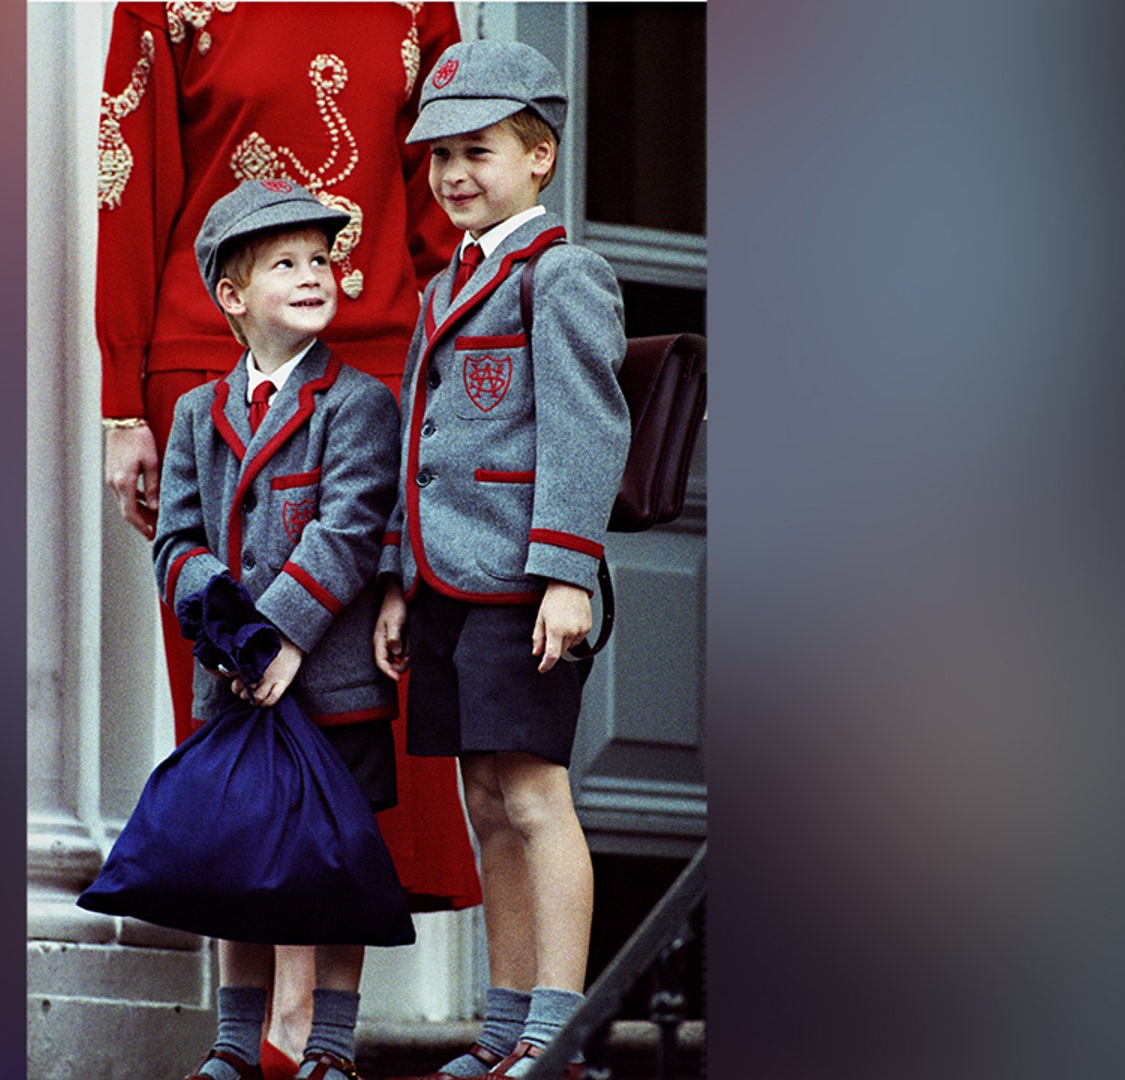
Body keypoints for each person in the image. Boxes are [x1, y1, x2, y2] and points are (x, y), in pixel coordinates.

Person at [94, 4, 482, 1066]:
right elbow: (129, 184)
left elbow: (443, 197)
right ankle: (257, 1030)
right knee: (237, 727)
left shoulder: (419, 6)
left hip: (385, 362)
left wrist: (462, 375)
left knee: (355, 717)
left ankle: (311, 1030)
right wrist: (123, 401)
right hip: (208, 358)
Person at [373, 41, 630, 1080]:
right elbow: (417, 440)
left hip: (524, 586)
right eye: (439, 156)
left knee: (533, 796)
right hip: (445, 584)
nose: (452, 175)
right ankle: (504, 1028)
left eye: (476, 151)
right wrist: (397, 579)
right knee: (484, 802)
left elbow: (586, 427)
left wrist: (567, 572)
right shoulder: (446, 286)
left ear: (540, 157)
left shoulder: (562, 275)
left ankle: (554, 1031)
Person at [154, 180, 404, 1080]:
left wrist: (282, 635)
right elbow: (176, 538)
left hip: (331, 677)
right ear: (232, 295)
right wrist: (228, 631)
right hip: (234, 679)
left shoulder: (360, 403)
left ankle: (330, 1047)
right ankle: (234, 1042)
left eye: (322, 259)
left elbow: (349, 528)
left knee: (337, 860)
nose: (313, 275)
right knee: (238, 857)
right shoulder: (197, 413)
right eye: (286, 264)